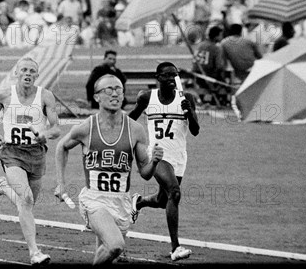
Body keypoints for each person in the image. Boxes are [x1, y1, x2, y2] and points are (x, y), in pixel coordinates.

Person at [55, 75, 164, 265]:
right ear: (97, 97)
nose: (115, 93)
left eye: (118, 89)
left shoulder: (136, 130)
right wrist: (61, 184)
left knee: (105, 255)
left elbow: (145, 173)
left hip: (121, 201)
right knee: (115, 246)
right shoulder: (87, 127)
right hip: (94, 200)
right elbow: (61, 147)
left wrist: (154, 162)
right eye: (109, 90)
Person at [0, 57, 61, 265]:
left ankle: (3, 187)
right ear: (16, 73)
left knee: (27, 204)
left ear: (37, 75)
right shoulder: (4, 94)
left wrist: (44, 133)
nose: (28, 74)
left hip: (36, 153)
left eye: (32, 71)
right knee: (26, 198)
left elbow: (56, 128)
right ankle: (34, 252)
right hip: (12, 152)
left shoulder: (46, 96)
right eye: (24, 70)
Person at [128, 62, 200, 262]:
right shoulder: (146, 97)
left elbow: (195, 131)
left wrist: (190, 113)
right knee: (174, 193)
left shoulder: (187, 98)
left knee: (163, 200)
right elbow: (130, 120)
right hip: (157, 155)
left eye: (174, 75)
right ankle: (175, 247)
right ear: (157, 77)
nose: (170, 79)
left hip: (178, 156)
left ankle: (139, 202)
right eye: (166, 76)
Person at [192, 25, 227, 104]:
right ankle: (220, 98)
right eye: (221, 35)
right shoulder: (215, 48)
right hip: (208, 75)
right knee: (224, 78)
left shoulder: (201, 44)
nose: (222, 37)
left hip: (196, 73)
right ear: (216, 36)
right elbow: (219, 66)